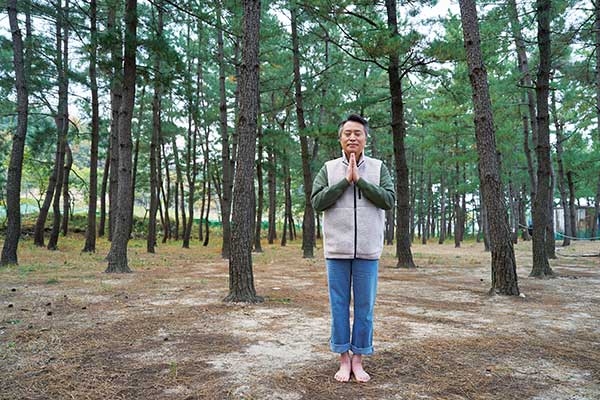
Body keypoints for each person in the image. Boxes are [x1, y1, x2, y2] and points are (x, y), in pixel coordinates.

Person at [311, 114, 395, 383]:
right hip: (336, 250)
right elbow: (317, 202)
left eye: (357, 133)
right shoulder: (328, 168)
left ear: (365, 139)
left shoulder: (379, 167)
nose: (352, 137)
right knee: (338, 306)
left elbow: (389, 200)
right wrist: (345, 181)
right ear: (340, 138)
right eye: (347, 133)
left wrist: (360, 180)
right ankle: (343, 358)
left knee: (364, 307)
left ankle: (358, 358)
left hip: (368, 250)